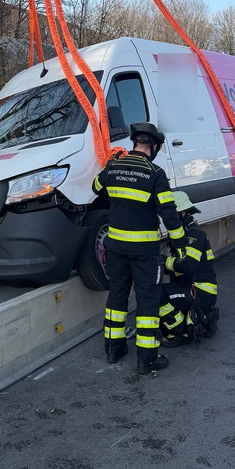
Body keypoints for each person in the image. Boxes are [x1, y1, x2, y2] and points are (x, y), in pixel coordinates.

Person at [92, 122, 185, 375]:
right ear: (154, 146)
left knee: (116, 298)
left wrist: (111, 168)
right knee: (147, 303)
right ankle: (147, 359)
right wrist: (179, 244)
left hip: (115, 249)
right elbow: (169, 212)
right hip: (144, 253)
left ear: (135, 143)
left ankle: (113, 349)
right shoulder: (155, 173)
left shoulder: (114, 167)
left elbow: (96, 188)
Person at [159, 190, 218, 344]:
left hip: (199, 292)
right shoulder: (183, 233)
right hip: (189, 287)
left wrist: (162, 261)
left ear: (183, 212)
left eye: (172, 215)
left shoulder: (194, 234)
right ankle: (189, 322)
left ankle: (181, 332)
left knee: (157, 294)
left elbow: (187, 266)